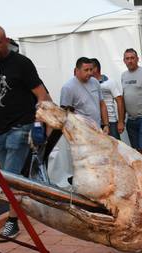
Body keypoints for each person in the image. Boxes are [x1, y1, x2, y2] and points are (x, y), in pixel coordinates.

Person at [0, 24, 52, 239]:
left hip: (22, 126)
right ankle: (21, 208)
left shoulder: (21, 64)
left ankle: (12, 222)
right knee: (8, 175)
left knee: (10, 177)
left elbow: (42, 95)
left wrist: (37, 124)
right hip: (2, 129)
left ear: (5, 40)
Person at [47, 57, 108, 189]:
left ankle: (97, 185)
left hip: (96, 129)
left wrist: (106, 124)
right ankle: (84, 186)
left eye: (91, 69)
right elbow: (65, 113)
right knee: (84, 161)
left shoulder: (95, 83)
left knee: (98, 159)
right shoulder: (68, 88)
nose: (89, 73)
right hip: (80, 132)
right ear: (76, 71)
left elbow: (102, 104)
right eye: (86, 70)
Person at [90, 58, 125, 140]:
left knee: (116, 148)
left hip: (111, 121)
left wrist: (120, 122)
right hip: (95, 122)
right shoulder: (89, 84)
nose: (88, 72)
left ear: (95, 69)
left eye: (90, 69)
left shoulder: (110, 82)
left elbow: (120, 101)